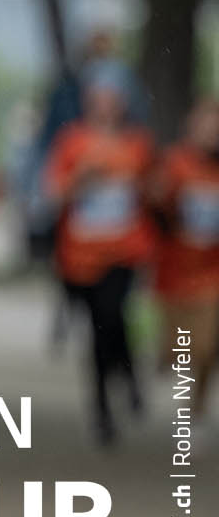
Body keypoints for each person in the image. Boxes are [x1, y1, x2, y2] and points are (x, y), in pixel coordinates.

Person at [43, 61, 157, 446]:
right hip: (80, 255)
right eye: (99, 97)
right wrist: (82, 178)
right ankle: (107, 398)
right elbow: (53, 194)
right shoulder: (72, 142)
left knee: (113, 315)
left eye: (113, 97)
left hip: (124, 250)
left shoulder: (137, 143)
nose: (106, 104)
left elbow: (152, 192)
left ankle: (117, 389)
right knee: (98, 327)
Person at [151, 98, 219, 429]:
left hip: (212, 272)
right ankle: (172, 370)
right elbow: (155, 207)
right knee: (177, 348)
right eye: (206, 126)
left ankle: (197, 406)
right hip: (175, 270)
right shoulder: (175, 164)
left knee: (207, 344)